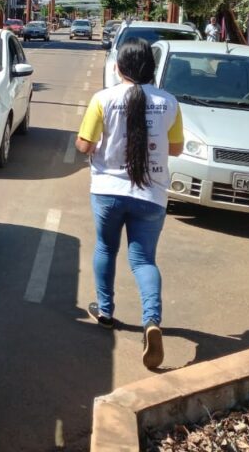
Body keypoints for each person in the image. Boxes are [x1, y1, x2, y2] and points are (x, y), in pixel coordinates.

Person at [75, 40, 183, 370]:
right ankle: (151, 320)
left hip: (108, 190)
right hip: (151, 194)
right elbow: (176, 149)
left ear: (118, 68)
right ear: (151, 68)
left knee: (106, 249)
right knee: (143, 260)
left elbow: (84, 145)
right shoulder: (169, 102)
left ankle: (106, 312)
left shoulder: (103, 100)